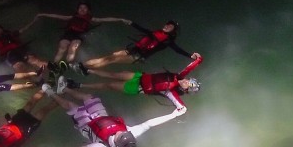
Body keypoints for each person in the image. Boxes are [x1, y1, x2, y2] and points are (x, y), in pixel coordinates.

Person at [40, 87, 186, 147]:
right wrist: (173, 115)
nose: (122, 132)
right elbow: (149, 124)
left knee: (69, 105)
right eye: (125, 133)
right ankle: (64, 89)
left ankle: (51, 93)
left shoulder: (103, 146)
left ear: (117, 142)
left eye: (121, 135)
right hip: (102, 117)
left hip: (86, 125)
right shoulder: (131, 134)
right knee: (89, 98)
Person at [75, 52, 203, 110]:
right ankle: (88, 71)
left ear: (186, 89)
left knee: (109, 85)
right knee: (114, 74)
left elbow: (178, 102)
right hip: (140, 77)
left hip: (138, 88)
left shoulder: (171, 91)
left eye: (188, 84)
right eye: (189, 80)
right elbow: (188, 68)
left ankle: (79, 85)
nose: (186, 81)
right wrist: (198, 60)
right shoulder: (179, 76)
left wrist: (182, 109)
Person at [30, 2, 131, 67]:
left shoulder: (91, 18)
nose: (82, 9)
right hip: (69, 33)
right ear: (77, 10)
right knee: (62, 47)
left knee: (72, 48)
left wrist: (120, 19)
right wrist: (42, 14)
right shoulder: (71, 17)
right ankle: (54, 65)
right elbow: (57, 16)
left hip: (79, 35)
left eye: (85, 8)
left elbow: (106, 19)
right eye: (80, 8)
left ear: (88, 11)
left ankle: (67, 64)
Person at [76, 20, 192, 73]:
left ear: (172, 31)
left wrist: (190, 55)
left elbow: (177, 50)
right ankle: (84, 67)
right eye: (167, 24)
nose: (167, 26)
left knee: (112, 59)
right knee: (112, 56)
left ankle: (83, 66)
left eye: (170, 27)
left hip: (139, 56)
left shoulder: (167, 41)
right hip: (133, 49)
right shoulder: (157, 32)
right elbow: (145, 30)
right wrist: (131, 23)